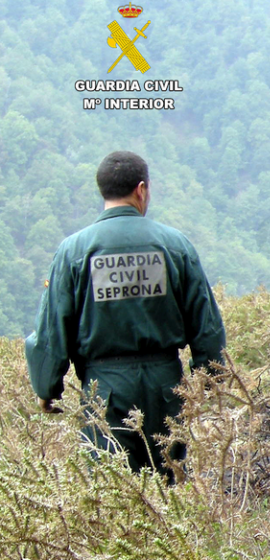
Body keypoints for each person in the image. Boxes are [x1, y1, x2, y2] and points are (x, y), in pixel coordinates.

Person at [26, 150, 226, 479]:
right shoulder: (175, 245)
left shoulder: (73, 251)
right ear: (142, 189)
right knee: (168, 489)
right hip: (166, 386)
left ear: (102, 190)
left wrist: (48, 389)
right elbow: (207, 327)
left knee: (112, 490)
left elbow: (51, 333)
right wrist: (209, 381)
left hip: (104, 389)